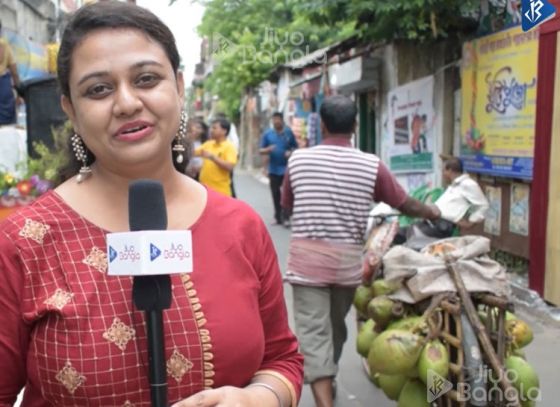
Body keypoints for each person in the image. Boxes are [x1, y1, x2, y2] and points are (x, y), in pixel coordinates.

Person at [0, 3, 302, 407]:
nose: (126, 103)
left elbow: (282, 358)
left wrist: (260, 398)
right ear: (70, 108)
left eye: (146, 79)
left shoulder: (240, 225)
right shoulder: (23, 242)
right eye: (98, 89)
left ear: (179, 87)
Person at [281, 94, 440, 407]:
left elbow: (287, 204)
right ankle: (326, 393)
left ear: (322, 125)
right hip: (346, 265)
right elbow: (403, 203)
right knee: (335, 330)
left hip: (307, 263)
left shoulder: (298, 160)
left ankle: (324, 380)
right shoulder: (371, 165)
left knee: (317, 334)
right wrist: (433, 212)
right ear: (354, 125)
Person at [413, 156, 489, 238]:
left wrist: (471, 222)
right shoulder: (454, 185)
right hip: (432, 221)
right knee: (404, 233)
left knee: (414, 236)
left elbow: (483, 205)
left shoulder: (468, 184)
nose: (442, 174)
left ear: (450, 170)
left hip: (443, 225)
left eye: (443, 170)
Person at [259, 112, 297, 225]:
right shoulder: (268, 134)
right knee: (275, 193)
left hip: (286, 168)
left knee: (287, 192)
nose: (276, 121)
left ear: (282, 120)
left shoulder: (288, 133)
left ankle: (286, 216)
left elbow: (295, 147)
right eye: (274, 119)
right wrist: (268, 150)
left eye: (277, 119)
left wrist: (290, 152)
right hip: (273, 169)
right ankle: (278, 217)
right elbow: (261, 150)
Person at [195, 117, 238, 197]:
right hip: (205, 191)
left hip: (220, 192)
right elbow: (193, 153)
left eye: (215, 128)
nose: (211, 130)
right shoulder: (208, 144)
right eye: (211, 127)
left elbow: (230, 166)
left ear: (224, 131)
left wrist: (213, 157)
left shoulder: (229, 147)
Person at [0, 19, 21, 125]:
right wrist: (20, 94)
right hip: (3, 90)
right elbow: (15, 72)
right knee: (8, 128)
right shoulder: (5, 46)